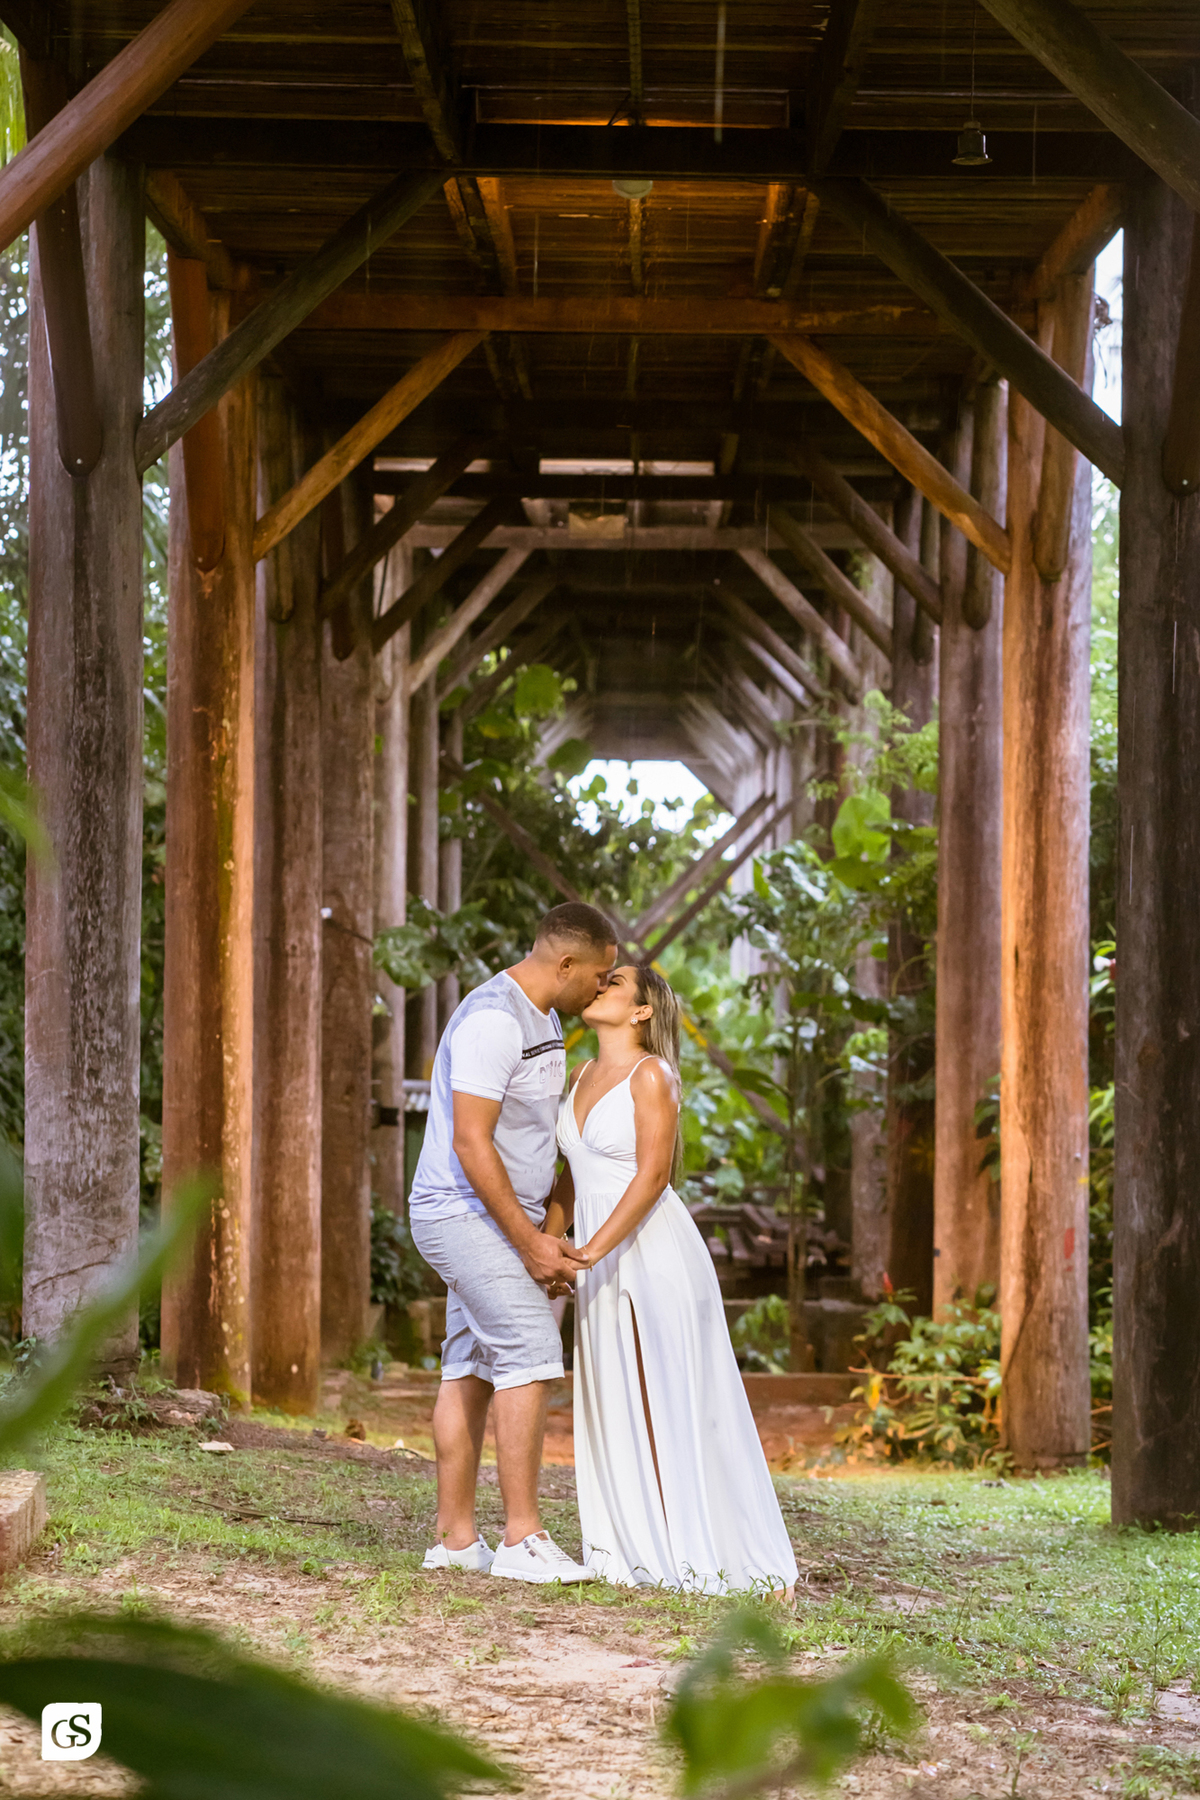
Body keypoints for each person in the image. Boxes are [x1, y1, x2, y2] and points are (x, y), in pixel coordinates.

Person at [548, 964, 798, 1595]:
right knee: (613, 1392)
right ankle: (630, 1543)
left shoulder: (651, 1075)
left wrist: (586, 1253)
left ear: (642, 1012)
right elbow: (572, 1178)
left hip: (650, 1249)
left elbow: (653, 1176)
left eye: (616, 981)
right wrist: (551, 1243)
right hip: (597, 1254)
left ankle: (692, 1543)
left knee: (666, 1392)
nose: (600, 983)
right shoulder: (579, 1075)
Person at [410, 901, 617, 1583]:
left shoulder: (547, 1020)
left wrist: (545, 1235)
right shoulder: (494, 1019)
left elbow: (531, 1139)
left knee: (469, 1367)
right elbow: (470, 1141)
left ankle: (454, 1542)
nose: (603, 988)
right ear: (565, 963)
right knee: (531, 1351)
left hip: (501, 1222)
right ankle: (524, 1538)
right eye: (598, 974)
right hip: (460, 1214)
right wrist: (528, 1242)